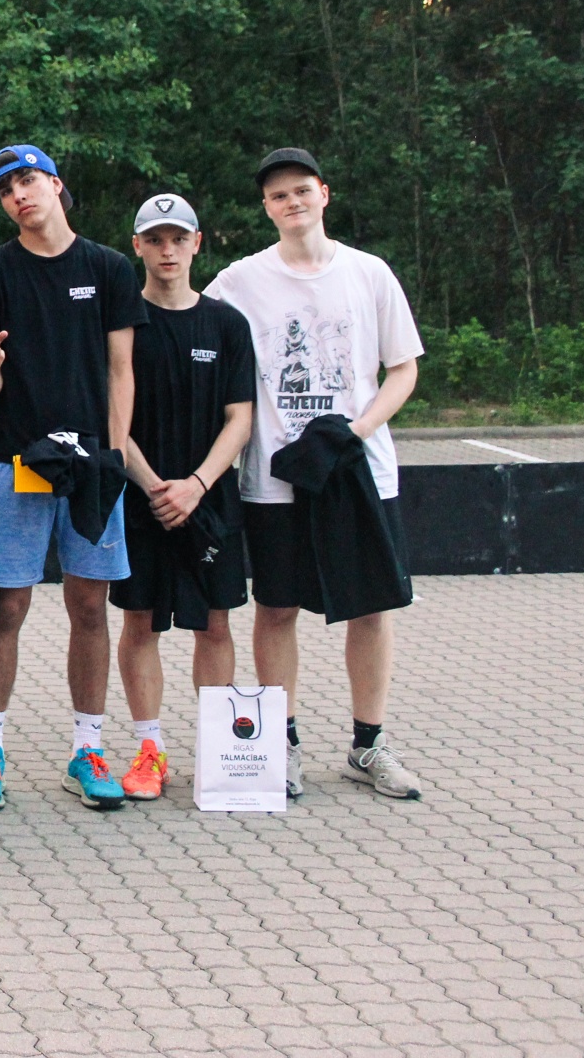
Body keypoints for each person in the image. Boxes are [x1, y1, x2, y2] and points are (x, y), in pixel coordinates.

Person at [205, 148, 423, 800]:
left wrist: (355, 431)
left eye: (301, 190)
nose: (292, 202)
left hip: (359, 474)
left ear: (323, 194)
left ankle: (368, 744)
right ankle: (282, 742)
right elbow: (184, 323)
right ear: (266, 208)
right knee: (277, 607)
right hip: (276, 479)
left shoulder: (369, 273)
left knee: (372, 607)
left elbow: (403, 368)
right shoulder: (239, 280)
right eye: (278, 195)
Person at [0, 145, 148, 812]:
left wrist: (115, 456)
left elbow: (122, 370)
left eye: (28, 180)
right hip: (18, 463)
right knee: (7, 607)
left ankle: (88, 749)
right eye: (6, 188)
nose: (19, 194)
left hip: (90, 465)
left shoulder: (109, 268)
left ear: (56, 185)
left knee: (90, 606)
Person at [111, 194, 255, 801]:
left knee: (215, 624)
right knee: (140, 622)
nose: (167, 250)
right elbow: (113, 418)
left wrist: (196, 485)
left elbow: (240, 417)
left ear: (198, 244)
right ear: (138, 246)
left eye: (178, 239)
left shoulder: (226, 324)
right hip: (140, 498)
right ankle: (150, 751)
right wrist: (152, 486)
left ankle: (220, 752)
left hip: (208, 501)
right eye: (155, 239)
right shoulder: (121, 323)